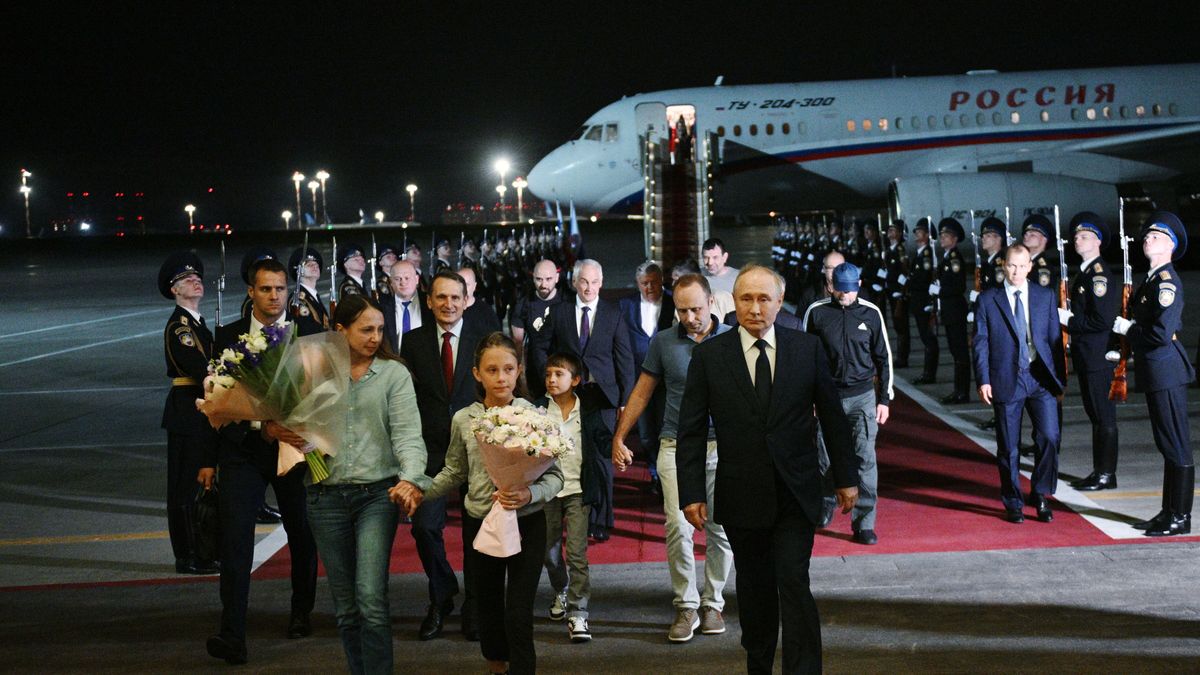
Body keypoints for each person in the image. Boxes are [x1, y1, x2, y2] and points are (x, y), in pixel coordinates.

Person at [676, 265, 858, 674]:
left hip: (797, 491)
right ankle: (758, 664)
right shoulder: (709, 356)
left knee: (794, 582)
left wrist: (845, 478)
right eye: (745, 299)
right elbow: (689, 430)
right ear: (732, 302)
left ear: (780, 302)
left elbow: (832, 416)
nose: (754, 308)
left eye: (763, 299)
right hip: (742, 494)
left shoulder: (806, 348)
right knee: (756, 592)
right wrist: (691, 492)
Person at [395, 333, 564, 675]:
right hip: (481, 522)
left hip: (526, 523)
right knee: (485, 605)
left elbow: (556, 477)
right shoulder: (464, 419)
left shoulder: (536, 417)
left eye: (508, 369)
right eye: (492, 370)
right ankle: (496, 664)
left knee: (518, 611)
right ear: (476, 374)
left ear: (519, 371)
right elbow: (454, 470)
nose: (501, 377)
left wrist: (530, 494)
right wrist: (420, 491)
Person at [296, 295, 430, 674]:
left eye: (380, 330)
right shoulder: (313, 369)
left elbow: (408, 435)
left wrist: (410, 479)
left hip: (377, 495)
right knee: (346, 607)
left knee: (371, 598)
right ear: (340, 331)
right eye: (366, 329)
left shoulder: (393, 374)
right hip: (324, 497)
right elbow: (286, 419)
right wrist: (272, 426)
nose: (375, 337)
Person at [201, 257, 318, 665]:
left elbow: (328, 396)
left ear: (289, 292)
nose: (273, 295)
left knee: (302, 532)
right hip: (243, 452)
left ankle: (301, 611)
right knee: (235, 541)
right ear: (250, 291)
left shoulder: (309, 334)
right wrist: (251, 432)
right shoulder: (227, 336)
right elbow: (215, 400)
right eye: (265, 288)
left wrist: (304, 430)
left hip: (294, 450)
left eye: (280, 289)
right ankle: (232, 633)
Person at [612, 273, 734, 643]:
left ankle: (713, 603)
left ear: (711, 302)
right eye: (682, 310)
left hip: (723, 446)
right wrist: (620, 435)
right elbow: (641, 393)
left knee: (720, 528)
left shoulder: (733, 338)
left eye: (696, 308)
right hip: (675, 444)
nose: (689, 317)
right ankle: (686, 605)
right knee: (677, 526)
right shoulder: (664, 342)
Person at [399, 270, 492, 641]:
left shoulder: (483, 341)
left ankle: (475, 606)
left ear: (467, 300)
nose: (448, 304)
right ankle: (441, 595)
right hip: (431, 450)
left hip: (477, 449)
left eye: (455, 297)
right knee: (424, 527)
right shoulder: (414, 342)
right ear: (428, 300)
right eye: (441, 297)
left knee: (476, 532)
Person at [529, 259, 635, 543]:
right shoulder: (560, 311)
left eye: (594, 282)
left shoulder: (613, 312)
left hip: (603, 396)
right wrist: (550, 376)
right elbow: (539, 346)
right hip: (568, 396)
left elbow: (624, 357)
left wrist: (626, 399)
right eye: (584, 282)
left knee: (601, 458)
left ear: (601, 283)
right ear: (575, 283)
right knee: (571, 455)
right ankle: (572, 514)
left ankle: (602, 518)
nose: (589, 287)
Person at [1112, 211, 1194, 536]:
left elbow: (1160, 334)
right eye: (1147, 235)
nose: (1148, 239)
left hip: (1166, 370)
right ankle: (1167, 511)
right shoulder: (1150, 281)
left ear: (1171, 246)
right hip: (1155, 370)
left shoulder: (1167, 283)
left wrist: (1130, 330)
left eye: (1156, 237)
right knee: (1166, 443)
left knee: (1175, 443)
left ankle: (1180, 517)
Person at [972, 244, 1064, 524]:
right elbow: (980, 342)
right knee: (1009, 447)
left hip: (1039, 378)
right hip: (1006, 378)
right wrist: (983, 379)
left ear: (1030, 267)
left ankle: (1040, 493)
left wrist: (1059, 380)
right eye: (1011, 265)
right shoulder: (988, 299)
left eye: (1022, 266)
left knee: (1049, 436)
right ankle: (1012, 500)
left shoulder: (1045, 296)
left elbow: (1054, 340)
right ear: (1003, 265)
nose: (1016, 271)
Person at [802, 262, 893, 545]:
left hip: (863, 396)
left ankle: (864, 522)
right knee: (823, 457)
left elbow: (884, 358)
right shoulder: (816, 313)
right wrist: (808, 398)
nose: (846, 297)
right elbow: (805, 358)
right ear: (831, 286)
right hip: (827, 398)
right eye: (840, 291)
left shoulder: (872, 313)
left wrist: (885, 400)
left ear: (859, 285)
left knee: (865, 459)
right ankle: (825, 504)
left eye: (850, 291)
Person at [537, 352, 610, 643]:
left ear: (575, 380)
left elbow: (602, 438)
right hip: (548, 490)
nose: (552, 380)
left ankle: (579, 613)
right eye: (548, 375)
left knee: (578, 554)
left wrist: (616, 449)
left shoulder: (587, 410)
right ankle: (561, 589)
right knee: (549, 551)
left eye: (559, 374)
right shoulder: (538, 410)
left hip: (579, 489)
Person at [158, 252, 220, 575]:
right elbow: (199, 367)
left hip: (202, 408)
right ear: (174, 291)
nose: (196, 282)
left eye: (197, 278)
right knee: (184, 487)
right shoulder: (179, 328)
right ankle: (186, 554)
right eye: (186, 280)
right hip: (187, 409)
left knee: (202, 484)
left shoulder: (198, 323)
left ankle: (204, 548)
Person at [1059, 212, 1121, 491]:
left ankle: (1106, 474)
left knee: (1103, 416)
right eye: (1075, 236)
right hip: (1087, 354)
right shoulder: (1084, 272)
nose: (1077, 240)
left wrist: (1069, 322)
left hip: (1098, 356)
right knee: (1095, 415)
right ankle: (1101, 471)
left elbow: (1102, 320)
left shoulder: (1099, 276)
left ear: (1097, 241)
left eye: (1083, 236)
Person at [619, 261, 675, 494]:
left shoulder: (675, 302)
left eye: (654, 282)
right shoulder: (626, 306)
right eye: (645, 283)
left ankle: (665, 475)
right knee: (645, 435)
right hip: (638, 381)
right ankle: (654, 471)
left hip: (668, 380)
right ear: (638, 284)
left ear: (662, 280)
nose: (650, 287)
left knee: (667, 430)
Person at [511, 259, 569, 393]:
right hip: (535, 372)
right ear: (533, 278)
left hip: (564, 370)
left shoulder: (568, 302)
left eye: (548, 279)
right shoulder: (524, 305)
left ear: (557, 278)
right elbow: (518, 343)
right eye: (539, 279)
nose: (543, 284)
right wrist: (517, 374)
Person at [932, 217, 972, 404]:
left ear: (954, 239)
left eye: (946, 236)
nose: (942, 238)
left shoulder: (955, 259)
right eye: (941, 235)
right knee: (956, 353)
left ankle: (962, 392)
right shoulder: (947, 257)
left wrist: (939, 290)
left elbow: (959, 287)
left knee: (960, 353)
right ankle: (958, 390)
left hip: (955, 311)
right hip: (949, 312)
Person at [909, 218, 940, 384]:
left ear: (927, 235)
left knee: (929, 338)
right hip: (918, 301)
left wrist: (909, 280)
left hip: (924, 302)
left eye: (919, 231)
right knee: (925, 338)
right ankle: (927, 373)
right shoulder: (920, 253)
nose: (916, 233)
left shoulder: (927, 254)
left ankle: (929, 374)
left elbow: (923, 279)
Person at [379, 259, 430, 353]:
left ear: (417, 279)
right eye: (398, 279)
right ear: (391, 282)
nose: (403, 283)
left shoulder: (430, 304)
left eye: (407, 278)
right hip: (395, 363)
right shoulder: (381, 308)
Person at [884, 220, 911, 368]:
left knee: (902, 327)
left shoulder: (900, 250)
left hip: (898, 294)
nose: (890, 232)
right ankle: (900, 357)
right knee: (897, 326)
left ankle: (903, 358)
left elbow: (905, 272)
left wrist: (900, 292)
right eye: (889, 230)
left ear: (900, 234)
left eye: (893, 230)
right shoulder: (889, 250)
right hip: (891, 292)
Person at [288, 246, 329, 336]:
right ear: (298, 271)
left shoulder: (313, 295)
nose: (315, 267)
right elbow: (306, 329)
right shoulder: (297, 298)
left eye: (316, 265)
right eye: (309, 265)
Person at [458, 265, 503, 332]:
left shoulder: (486, 313)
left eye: (467, 284)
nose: (463, 288)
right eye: (459, 284)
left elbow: (495, 338)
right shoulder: (450, 308)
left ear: (474, 286)